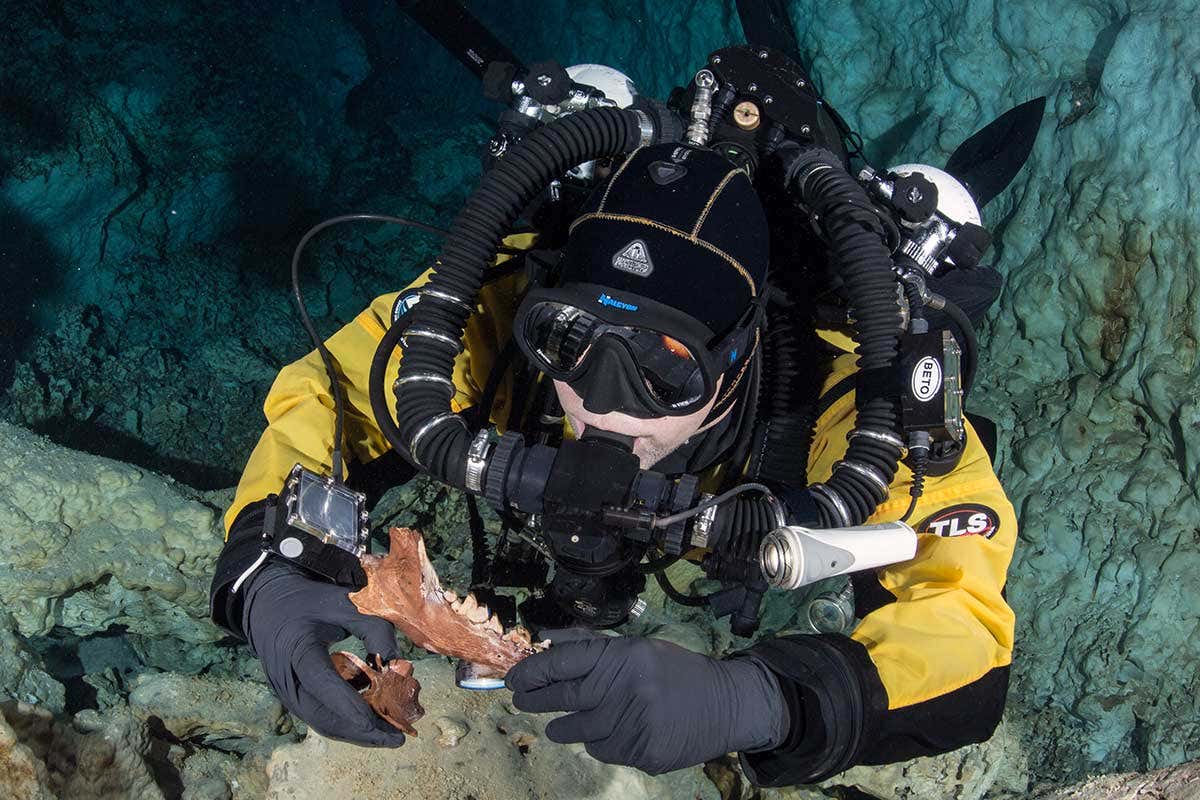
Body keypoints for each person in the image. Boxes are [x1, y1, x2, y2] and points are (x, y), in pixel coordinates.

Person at [209, 142, 1018, 786]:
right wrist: (266, 568)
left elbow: (961, 614)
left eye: (665, 367)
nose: (599, 405)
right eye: (568, 340)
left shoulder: (848, 393)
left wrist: (765, 699)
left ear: (738, 357)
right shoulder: (495, 304)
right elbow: (333, 391)